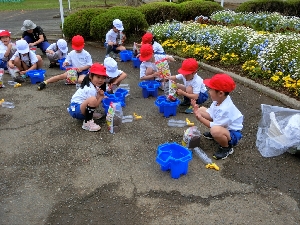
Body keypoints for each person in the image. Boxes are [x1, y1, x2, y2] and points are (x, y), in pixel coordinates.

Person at [191, 73, 243, 160]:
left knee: (215, 130)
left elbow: (214, 125)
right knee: (201, 109)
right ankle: (217, 135)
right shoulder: (218, 100)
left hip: (233, 132)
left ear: (220, 93)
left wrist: (200, 118)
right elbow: (211, 114)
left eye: (211, 89)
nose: (209, 91)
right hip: (223, 125)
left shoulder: (226, 109)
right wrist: (197, 110)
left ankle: (226, 148)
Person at [67, 63, 108, 132]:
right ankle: (87, 122)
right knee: (92, 100)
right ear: (90, 77)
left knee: (93, 100)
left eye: (103, 78)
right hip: (76, 110)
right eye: (98, 77)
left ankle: (89, 114)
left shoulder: (92, 85)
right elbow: (94, 104)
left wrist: (100, 96)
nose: (101, 80)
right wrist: (101, 96)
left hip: (77, 107)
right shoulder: (90, 89)